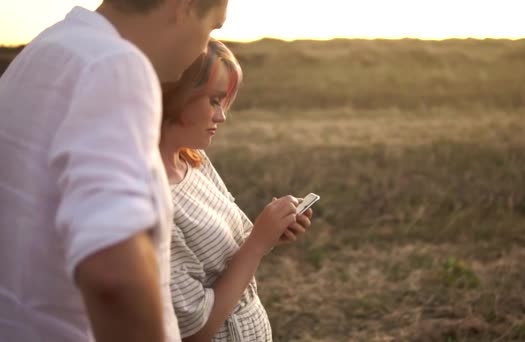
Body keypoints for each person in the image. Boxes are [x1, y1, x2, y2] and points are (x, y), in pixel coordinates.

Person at [0, 1, 228, 341]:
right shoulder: (114, 65)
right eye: (211, 28)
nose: (201, 49)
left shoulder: (47, 50)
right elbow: (115, 278)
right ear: (184, 7)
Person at [160, 39, 313, 341]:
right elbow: (195, 332)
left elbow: (230, 257)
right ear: (176, 96)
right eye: (214, 100)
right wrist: (258, 242)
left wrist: (272, 231)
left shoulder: (195, 160)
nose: (222, 115)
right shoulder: (154, 201)